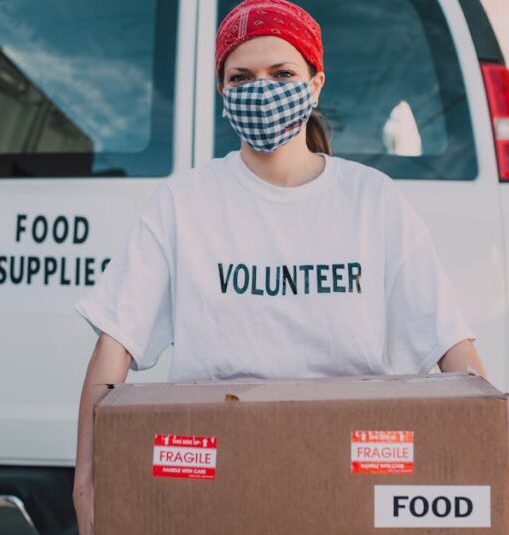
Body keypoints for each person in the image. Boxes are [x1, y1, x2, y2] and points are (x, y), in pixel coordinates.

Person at [71, 0, 487, 532]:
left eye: (282, 73)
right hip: (213, 479)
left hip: (348, 476)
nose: (261, 90)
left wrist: (482, 471)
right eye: (241, 78)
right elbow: (112, 351)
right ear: (223, 91)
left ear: (315, 84)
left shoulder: (372, 201)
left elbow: (453, 349)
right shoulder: (183, 203)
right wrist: (88, 484)